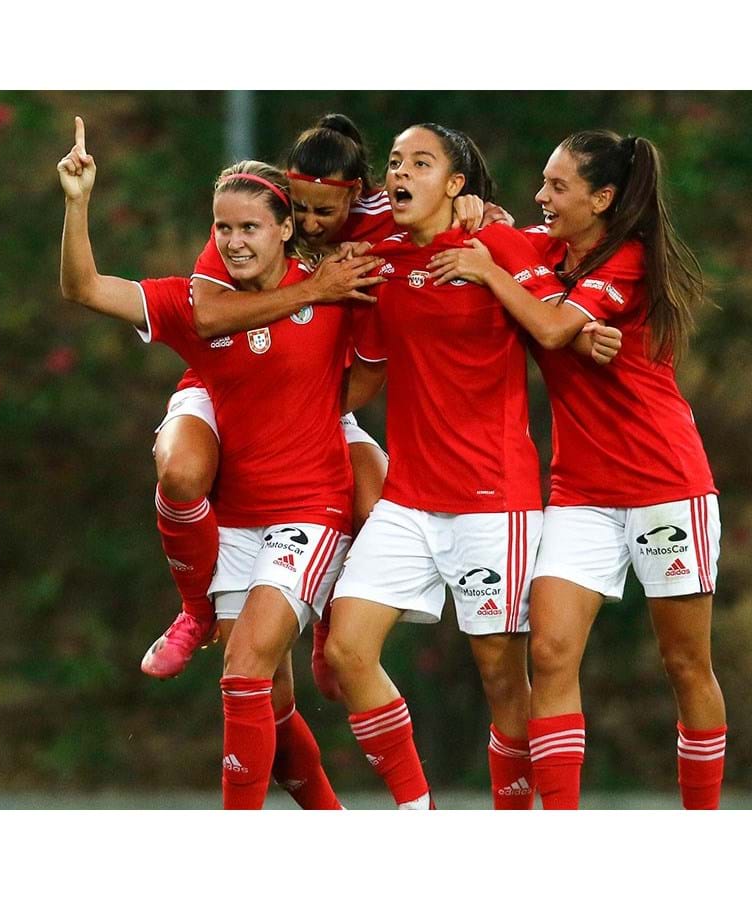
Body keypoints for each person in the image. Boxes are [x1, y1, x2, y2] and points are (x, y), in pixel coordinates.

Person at [141, 114, 497, 700]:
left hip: (312, 396)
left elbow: (454, 218)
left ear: (356, 196)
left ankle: (331, 615)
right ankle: (192, 611)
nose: (307, 222)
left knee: (376, 498)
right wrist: (313, 290)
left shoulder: (384, 219)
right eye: (297, 208)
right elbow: (205, 315)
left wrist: (476, 212)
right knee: (180, 471)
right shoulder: (248, 218)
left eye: (321, 212)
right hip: (222, 381)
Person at [57, 117, 353, 809]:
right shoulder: (199, 304)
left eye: (250, 228)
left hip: (310, 512)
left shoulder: (335, 281)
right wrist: (76, 202)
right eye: (223, 229)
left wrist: (474, 209)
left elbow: (409, 255)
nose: (233, 241)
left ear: (286, 229)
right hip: (240, 516)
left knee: (245, 667)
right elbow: (84, 288)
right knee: (263, 700)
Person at [425, 129, 725, 809]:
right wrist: (477, 215)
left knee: (686, 665)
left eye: (558, 187)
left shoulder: (631, 261)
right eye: (542, 182)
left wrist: (496, 275)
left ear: (604, 198)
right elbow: (487, 243)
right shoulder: (547, 249)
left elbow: (554, 327)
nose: (542, 196)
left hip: (665, 487)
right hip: (580, 493)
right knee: (552, 654)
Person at [324, 123, 618, 810]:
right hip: (407, 498)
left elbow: (557, 306)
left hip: (493, 501)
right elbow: (318, 219)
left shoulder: (499, 244)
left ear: (457, 185)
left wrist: (588, 331)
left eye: (421, 164)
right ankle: (416, 812)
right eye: (395, 162)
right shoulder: (381, 253)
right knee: (346, 652)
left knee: (502, 682)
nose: (400, 174)